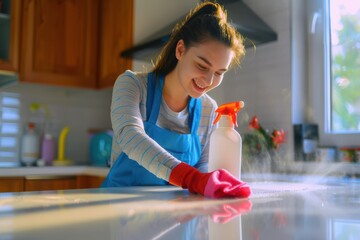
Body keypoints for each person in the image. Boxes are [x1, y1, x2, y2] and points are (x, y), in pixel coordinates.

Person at [101, 1, 251, 198]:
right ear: (180, 50)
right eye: (202, 66)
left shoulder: (208, 109)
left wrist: (215, 180)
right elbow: (130, 136)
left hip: (176, 219)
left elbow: (202, 166)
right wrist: (191, 178)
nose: (208, 80)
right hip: (118, 214)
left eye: (219, 72)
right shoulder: (133, 85)